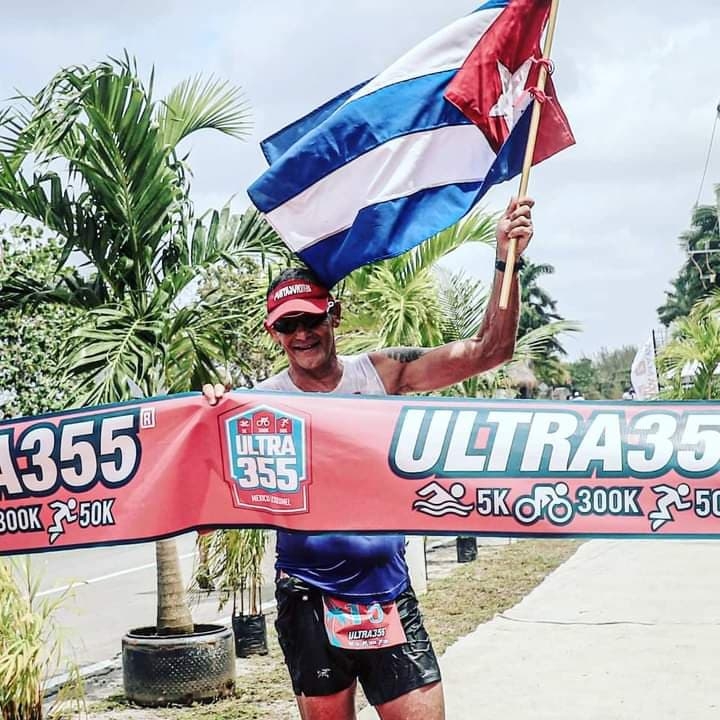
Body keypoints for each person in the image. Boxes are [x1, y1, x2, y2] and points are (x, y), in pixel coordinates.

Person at [203, 196, 534, 720]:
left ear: (333, 316)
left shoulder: (380, 375)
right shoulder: (259, 403)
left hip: (387, 591)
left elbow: (489, 351)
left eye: (311, 319)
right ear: (275, 333)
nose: (302, 334)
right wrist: (207, 411)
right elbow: (206, 482)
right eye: (287, 326)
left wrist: (504, 260)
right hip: (308, 600)